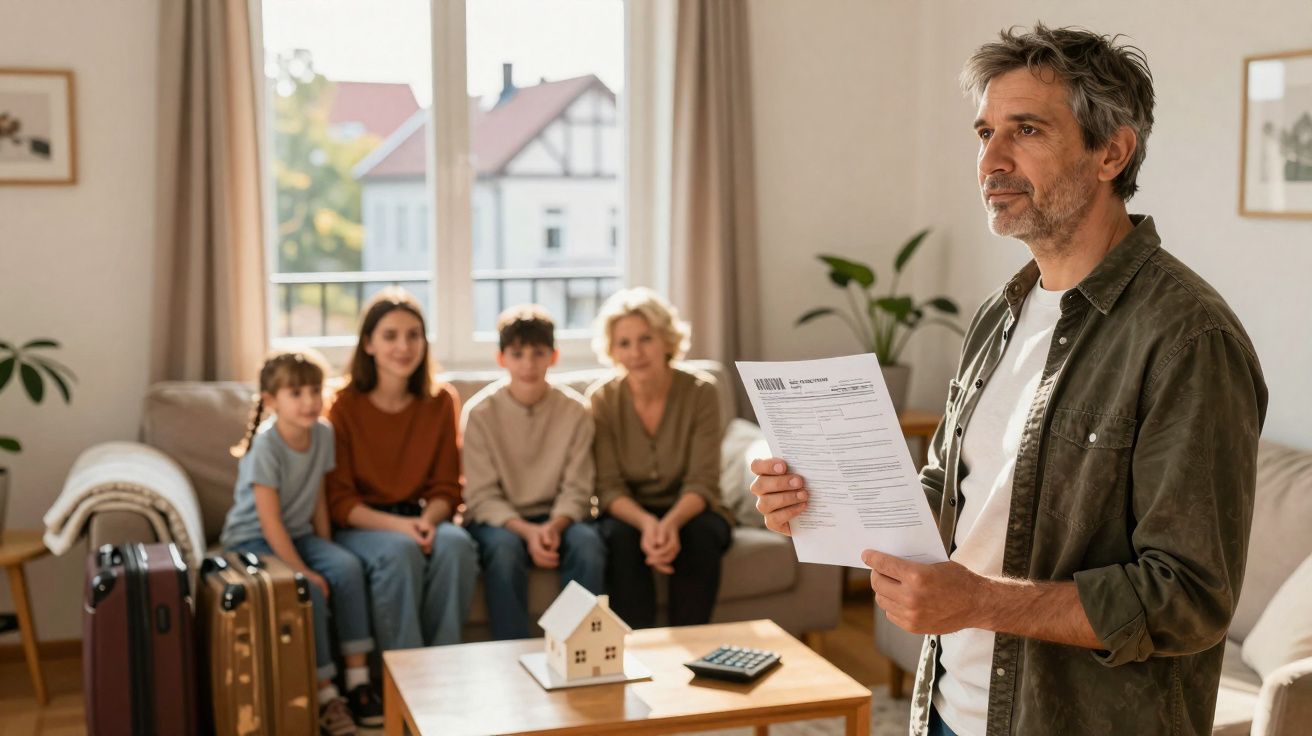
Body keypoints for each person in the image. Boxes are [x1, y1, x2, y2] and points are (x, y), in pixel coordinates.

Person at [750, 24, 1266, 736]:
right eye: (985, 131)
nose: (991, 159)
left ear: (1111, 151)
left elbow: (1189, 599)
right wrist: (816, 503)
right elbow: (949, 493)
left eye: (1025, 130)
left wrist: (980, 602)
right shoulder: (1004, 310)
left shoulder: (1188, 337)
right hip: (949, 705)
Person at [219, 351, 381, 734]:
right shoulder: (266, 447)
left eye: (314, 390)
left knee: (347, 568)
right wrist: (305, 570)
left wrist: (328, 550)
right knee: (308, 588)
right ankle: (327, 694)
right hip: (253, 538)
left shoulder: (323, 433)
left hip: (300, 534)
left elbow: (318, 499)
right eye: (296, 393)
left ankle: (357, 682)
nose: (309, 401)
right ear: (272, 401)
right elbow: (269, 521)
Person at [326, 289, 478, 650]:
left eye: (414, 335)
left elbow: (447, 488)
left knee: (457, 545)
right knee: (399, 551)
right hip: (364, 525)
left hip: (421, 519)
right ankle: (405, 679)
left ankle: (446, 664)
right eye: (390, 336)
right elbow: (340, 501)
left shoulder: (440, 401)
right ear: (368, 344)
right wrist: (402, 528)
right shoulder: (343, 405)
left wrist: (426, 523)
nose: (404, 346)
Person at [588, 287, 733, 628]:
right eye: (624, 343)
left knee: (700, 535)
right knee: (621, 539)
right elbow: (607, 487)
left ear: (667, 339)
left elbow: (703, 480)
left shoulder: (702, 392)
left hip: (692, 509)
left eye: (645, 339)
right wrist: (648, 524)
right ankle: (637, 652)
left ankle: (692, 650)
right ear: (612, 350)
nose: (635, 352)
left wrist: (669, 524)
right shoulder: (602, 400)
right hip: (630, 512)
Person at [461, 304, 607, 640]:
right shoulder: (480, 413)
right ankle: (510, 650)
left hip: (560, 518)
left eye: (538, 353)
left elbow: (579, 488)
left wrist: (554, 526)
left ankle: (578, 646)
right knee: (503, 550)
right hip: (503, 522)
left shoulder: (575, 410)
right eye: (517, 354)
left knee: (588, 544)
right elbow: (481, 496)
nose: (528, 364)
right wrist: (527, 532)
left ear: (553, 356)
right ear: (502, 359)